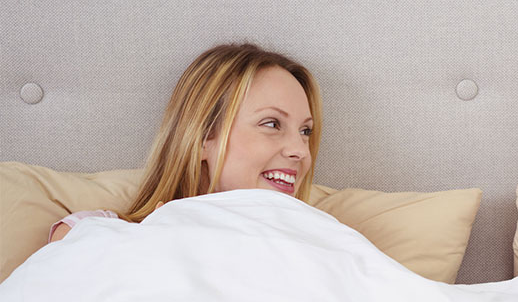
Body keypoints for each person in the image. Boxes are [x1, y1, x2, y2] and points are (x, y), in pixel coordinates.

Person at [48, 43, 322, 242]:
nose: (300, 151)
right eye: (272, 124)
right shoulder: (88, 234)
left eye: (305, 131)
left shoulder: (326, 245)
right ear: (203, 136)